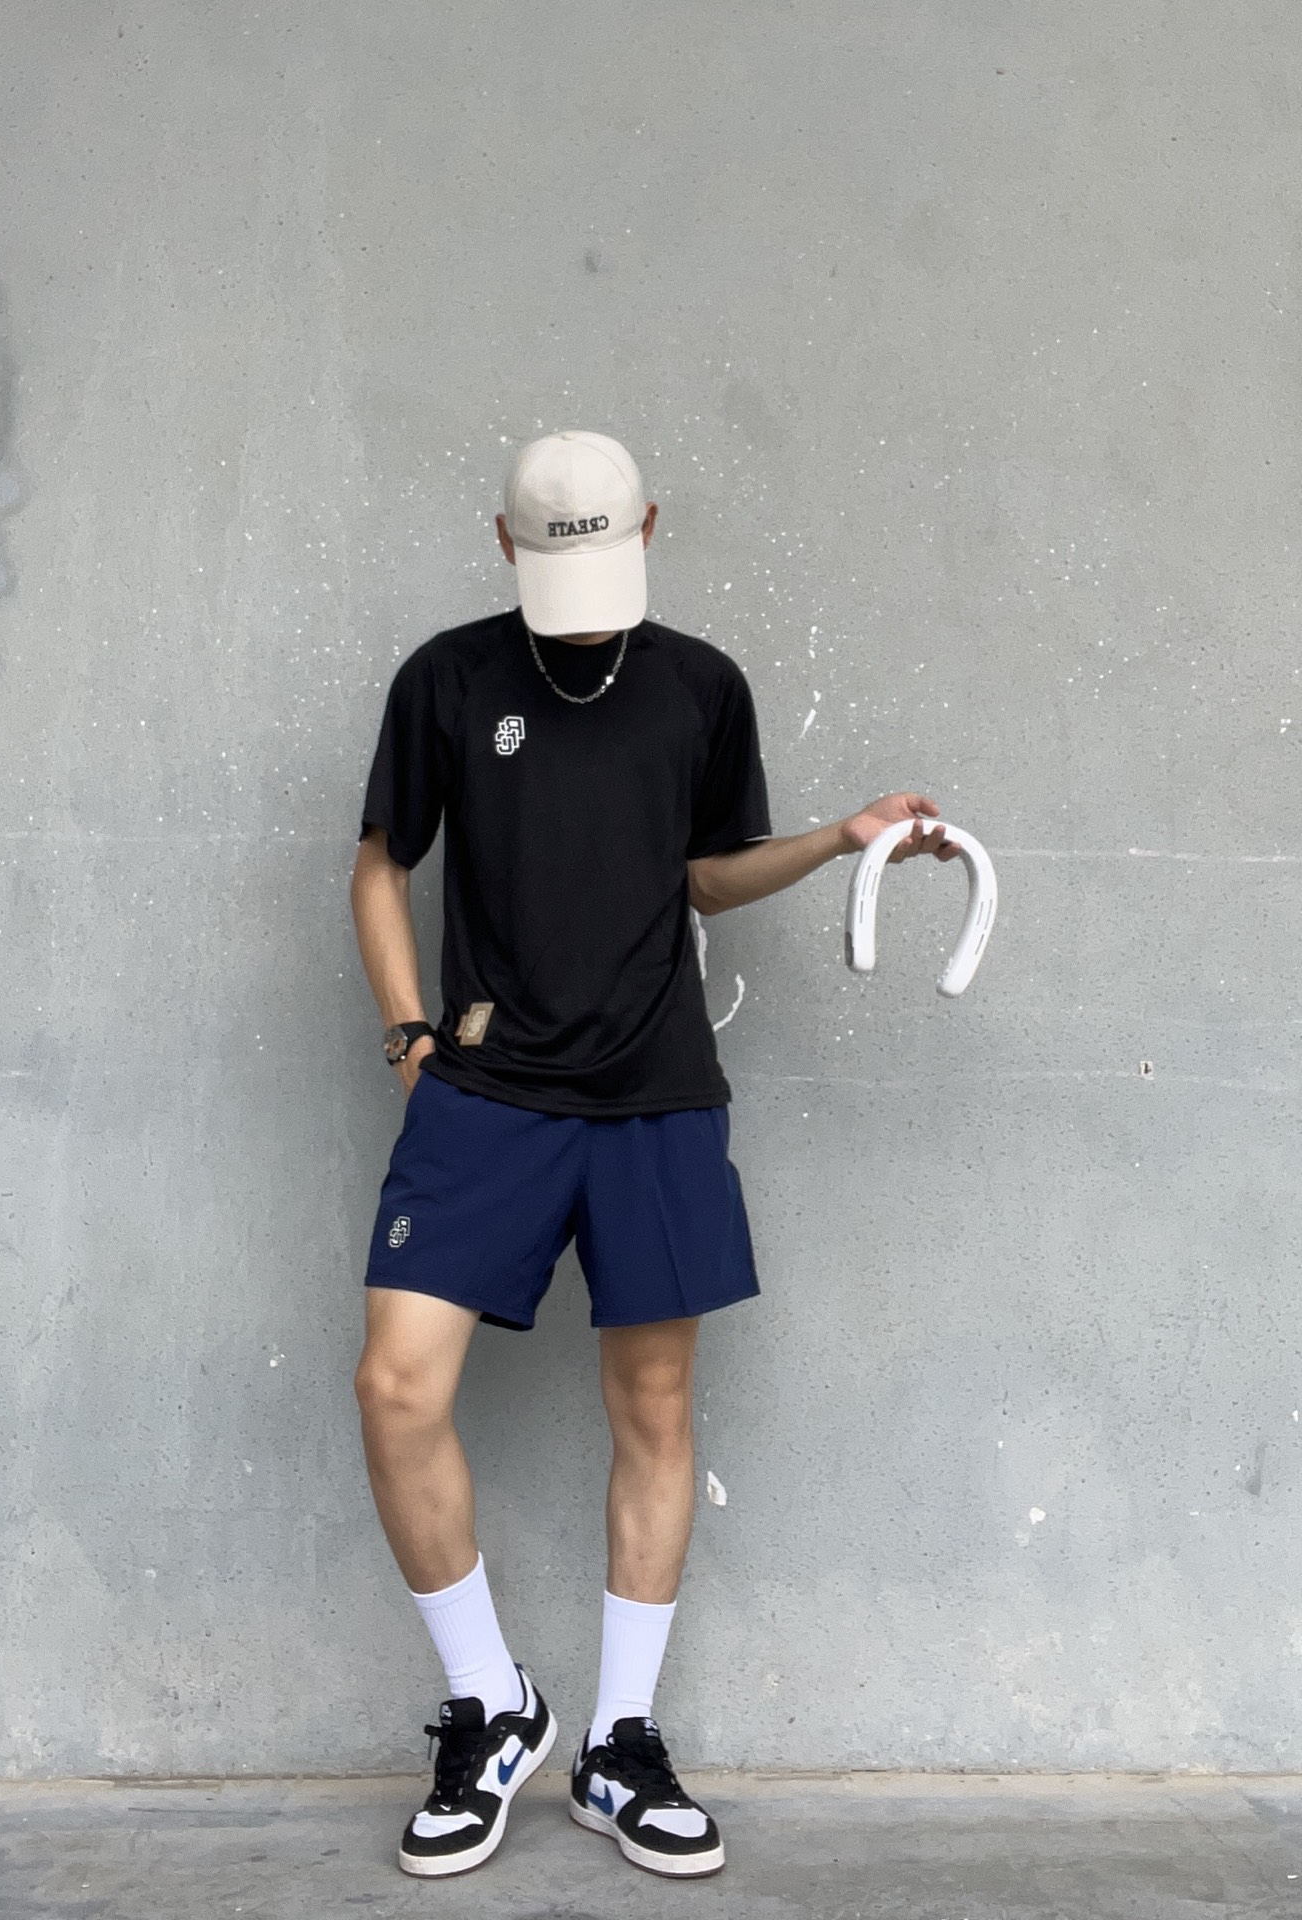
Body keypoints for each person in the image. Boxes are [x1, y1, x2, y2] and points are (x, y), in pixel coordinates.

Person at [350, 428, 956, 1880]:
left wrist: (837, 838)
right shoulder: (448, 680)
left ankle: (618, 1746)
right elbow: (380, 861)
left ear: (652, 526)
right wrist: (410, 1034)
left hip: (656, 1098)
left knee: (656, 1408)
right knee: (395, 1387)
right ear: (504, 543)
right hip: (487, 1095)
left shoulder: (700, 686)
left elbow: (705, 875)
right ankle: (492, 1706)